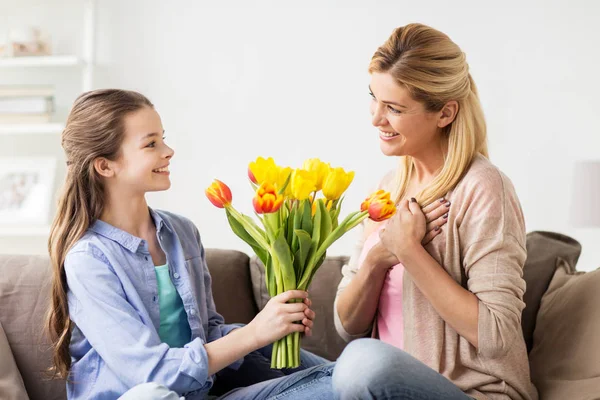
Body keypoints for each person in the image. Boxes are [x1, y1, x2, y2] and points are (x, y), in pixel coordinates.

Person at [45, 89, 335, 400]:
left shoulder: (180, 232)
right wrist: (254, 333)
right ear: (105, 166)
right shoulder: (89, 259)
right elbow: (152, 374)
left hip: (201, 394)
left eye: (163, 139)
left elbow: (208, 332)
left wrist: (275, 324)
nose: (168, 151)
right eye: (151, 144)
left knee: (361, 375)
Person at [332, 23, 538, 400]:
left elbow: (495, 336)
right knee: (258, 358)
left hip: (468, 392)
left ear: (445, 113)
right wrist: (380, 257)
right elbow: (347, 326)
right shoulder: (386, 187)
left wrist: (410, 252)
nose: (376, 119)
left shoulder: (484, 187)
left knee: (359, 361)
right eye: (374, 99)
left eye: (393, 108)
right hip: (378, 385)